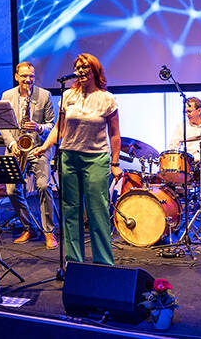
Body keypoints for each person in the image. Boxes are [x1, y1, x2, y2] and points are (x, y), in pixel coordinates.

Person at [33, 53, 122, 266]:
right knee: (70, 210)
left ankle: (103, 263)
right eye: (77, 67)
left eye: (84, 67)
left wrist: (115, 163)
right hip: (69, 157)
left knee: (97, 210)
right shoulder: (68, 96)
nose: (80, 71)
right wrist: (45, 146)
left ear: (95, 70)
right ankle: (74, 263)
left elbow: (115, 134)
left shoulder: (107, 99)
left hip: (96, 158)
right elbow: (59, 128)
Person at [0, 61, 58, 250]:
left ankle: (49, 231)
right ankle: (28, 226)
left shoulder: (45, 95)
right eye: (24, 76)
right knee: (11, 190)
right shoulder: (7, 96)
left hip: (38, 148)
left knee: (43, 186)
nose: (28, 79)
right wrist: (12, 144)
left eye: (31, 76)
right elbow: (3, 125)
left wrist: (39, 127)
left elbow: (52, 125)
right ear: (17, 76)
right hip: (16, 148)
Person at [168, 97, 201, 212]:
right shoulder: (181, 126)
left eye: (189, 111)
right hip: (189, 164)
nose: (187, 114)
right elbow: (173, 146)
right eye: (186, 112)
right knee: (169, 179)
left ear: (199, 110)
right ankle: (174, 214)